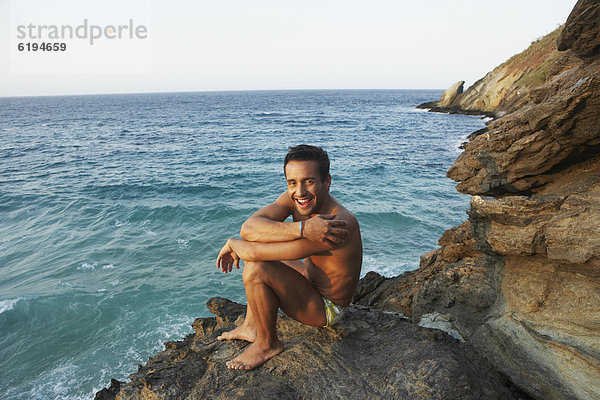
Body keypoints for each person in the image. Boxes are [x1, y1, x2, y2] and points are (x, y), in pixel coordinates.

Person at [216, 144, 363, 370]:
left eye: (309, 181)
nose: (300, 191)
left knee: (256, 269)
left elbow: (253, 252)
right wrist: (303, 229)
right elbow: (249, 227)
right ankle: (251, 326)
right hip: (309, 278)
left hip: (326, 308)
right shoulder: (296, 200)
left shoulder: (335, 225)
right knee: (260, 251)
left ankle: (267, 344)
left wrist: (235, 244)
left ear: (327, 182)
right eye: (292, 182)